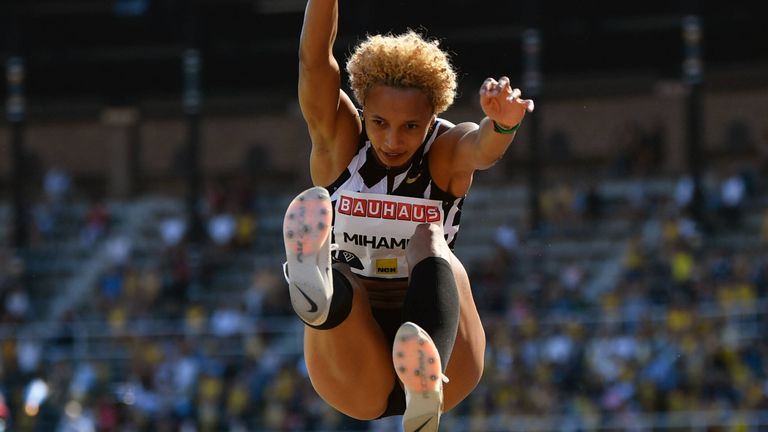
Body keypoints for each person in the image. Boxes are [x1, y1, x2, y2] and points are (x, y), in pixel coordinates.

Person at [282, 1, 534, 430]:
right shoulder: (340, 141)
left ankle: (425, 385)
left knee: (431, 241)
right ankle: (322, 295)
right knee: (341, 276)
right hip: (356, 362)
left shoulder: (445, 149)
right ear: (363, 109)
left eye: (410, 127)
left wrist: (504, 125)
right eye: (379, 122)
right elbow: (314, 63)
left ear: (432, 118)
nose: (392, 140)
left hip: (448, 359)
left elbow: (482, 149)